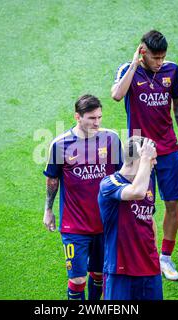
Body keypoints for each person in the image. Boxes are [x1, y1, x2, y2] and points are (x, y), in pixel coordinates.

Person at [111, 30, 178, 281]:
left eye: (163, 57)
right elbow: (116, 95)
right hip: (135, 148)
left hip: (166, 147)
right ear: (143, 53)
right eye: (155, 57)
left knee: (173, 203)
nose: (160, 62)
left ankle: (165, 257)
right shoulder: (128, 69)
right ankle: (145, 254)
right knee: (140, 205)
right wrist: (134, 62)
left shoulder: (171, 70)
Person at [43, 94, 122, 300]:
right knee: (78, 280)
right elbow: (52, 180)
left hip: (105, 224)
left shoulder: (111, 139)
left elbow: (123, 176)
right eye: (91, 118)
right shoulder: (60, 145)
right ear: (77, 117)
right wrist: (48, 210)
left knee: (99, 275)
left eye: (99, 117)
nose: (97, 122)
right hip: (74, 226)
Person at [98, 136, 162, 300]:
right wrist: (145, 159)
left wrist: (154, 255)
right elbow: (137, 192)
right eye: (152, 159)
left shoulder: (147, 180)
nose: (154, 163)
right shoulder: (109, 183)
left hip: (150, 267)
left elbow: (149, 218)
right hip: (121, 269)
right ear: (138, 160)